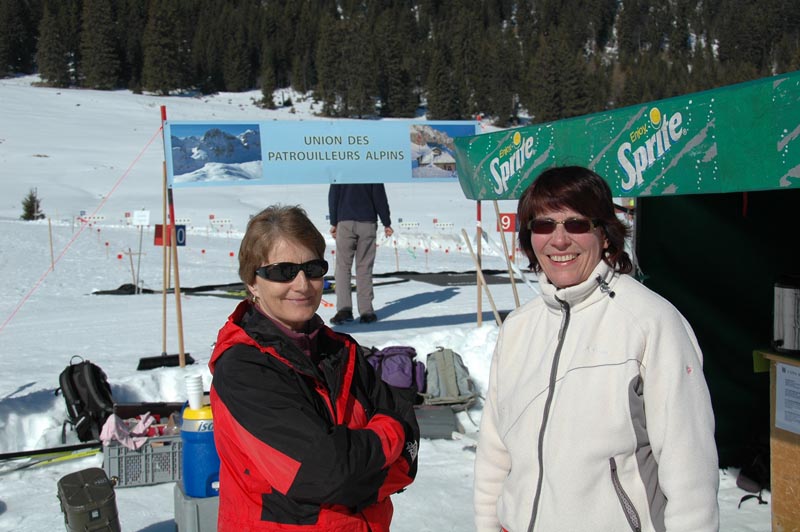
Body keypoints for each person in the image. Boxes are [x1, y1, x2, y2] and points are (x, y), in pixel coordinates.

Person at [473, 166, 719, 532]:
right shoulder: (518, 328)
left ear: (604, 235)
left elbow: (690, 468)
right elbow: (495, 452)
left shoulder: (650, 322)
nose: (559, 240)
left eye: (576, 224)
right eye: (543, 225)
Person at [209, 204, 419, 531]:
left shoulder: (342, 350)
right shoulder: (243, 369)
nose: (302, 284)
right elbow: (323, 472)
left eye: (312, 268)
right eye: (283, 271)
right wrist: (390, 433)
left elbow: (408, 454)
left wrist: (357, 476)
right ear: (252, 282)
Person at [328, 183, 394, 324]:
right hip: (367, 222)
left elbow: (333, 196)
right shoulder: (372, 172)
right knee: (364, 268)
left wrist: (334, 222)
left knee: (342, 267)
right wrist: (386, 223)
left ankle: (344, 310)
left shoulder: (340, 172)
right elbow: (380, 198)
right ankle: (366, 312)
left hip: (345, 221)